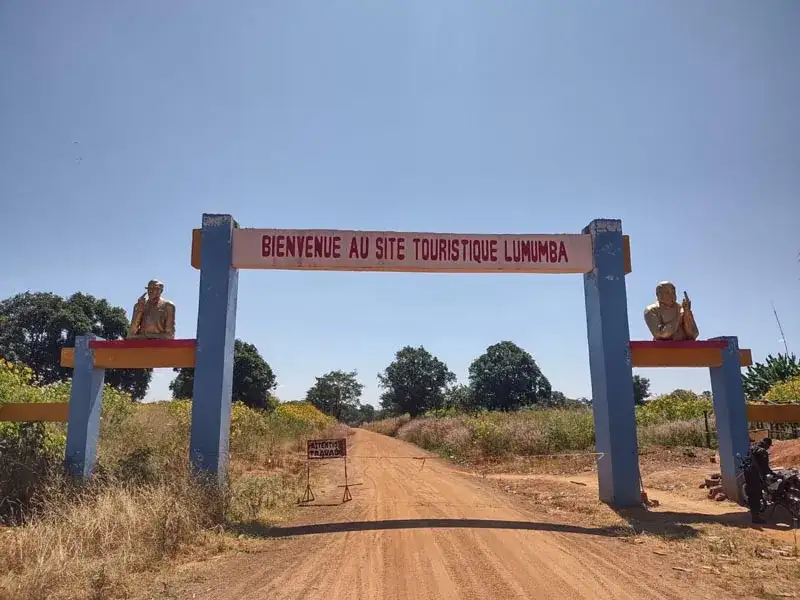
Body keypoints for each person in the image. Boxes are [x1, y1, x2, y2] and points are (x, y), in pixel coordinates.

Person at [744, 437, 774, 524]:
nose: (768, 448)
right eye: (769, 446)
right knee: (756, 496)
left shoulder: (752, 448)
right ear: (767, 444)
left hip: (748, 475)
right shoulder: (762, 451)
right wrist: (773, 474)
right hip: (755, 476)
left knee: (752, 496)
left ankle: (754, 515)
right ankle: (756, 518)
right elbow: (765, 468)